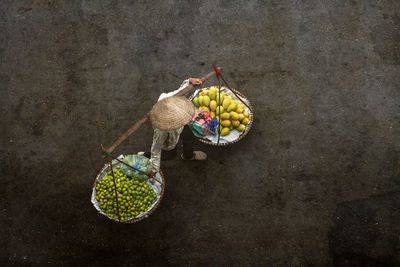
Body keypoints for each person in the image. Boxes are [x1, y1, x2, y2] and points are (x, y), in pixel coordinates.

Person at [139, 78, 207, 177]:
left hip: (181, 127)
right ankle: (146, 156)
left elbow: (181, 91)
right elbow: (156, 148)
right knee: (168, 155)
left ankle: (188, 156)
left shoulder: (168, 98)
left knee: (189, 138)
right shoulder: (161, 130)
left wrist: (189, 82)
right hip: (169, 138)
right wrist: (154, 168)